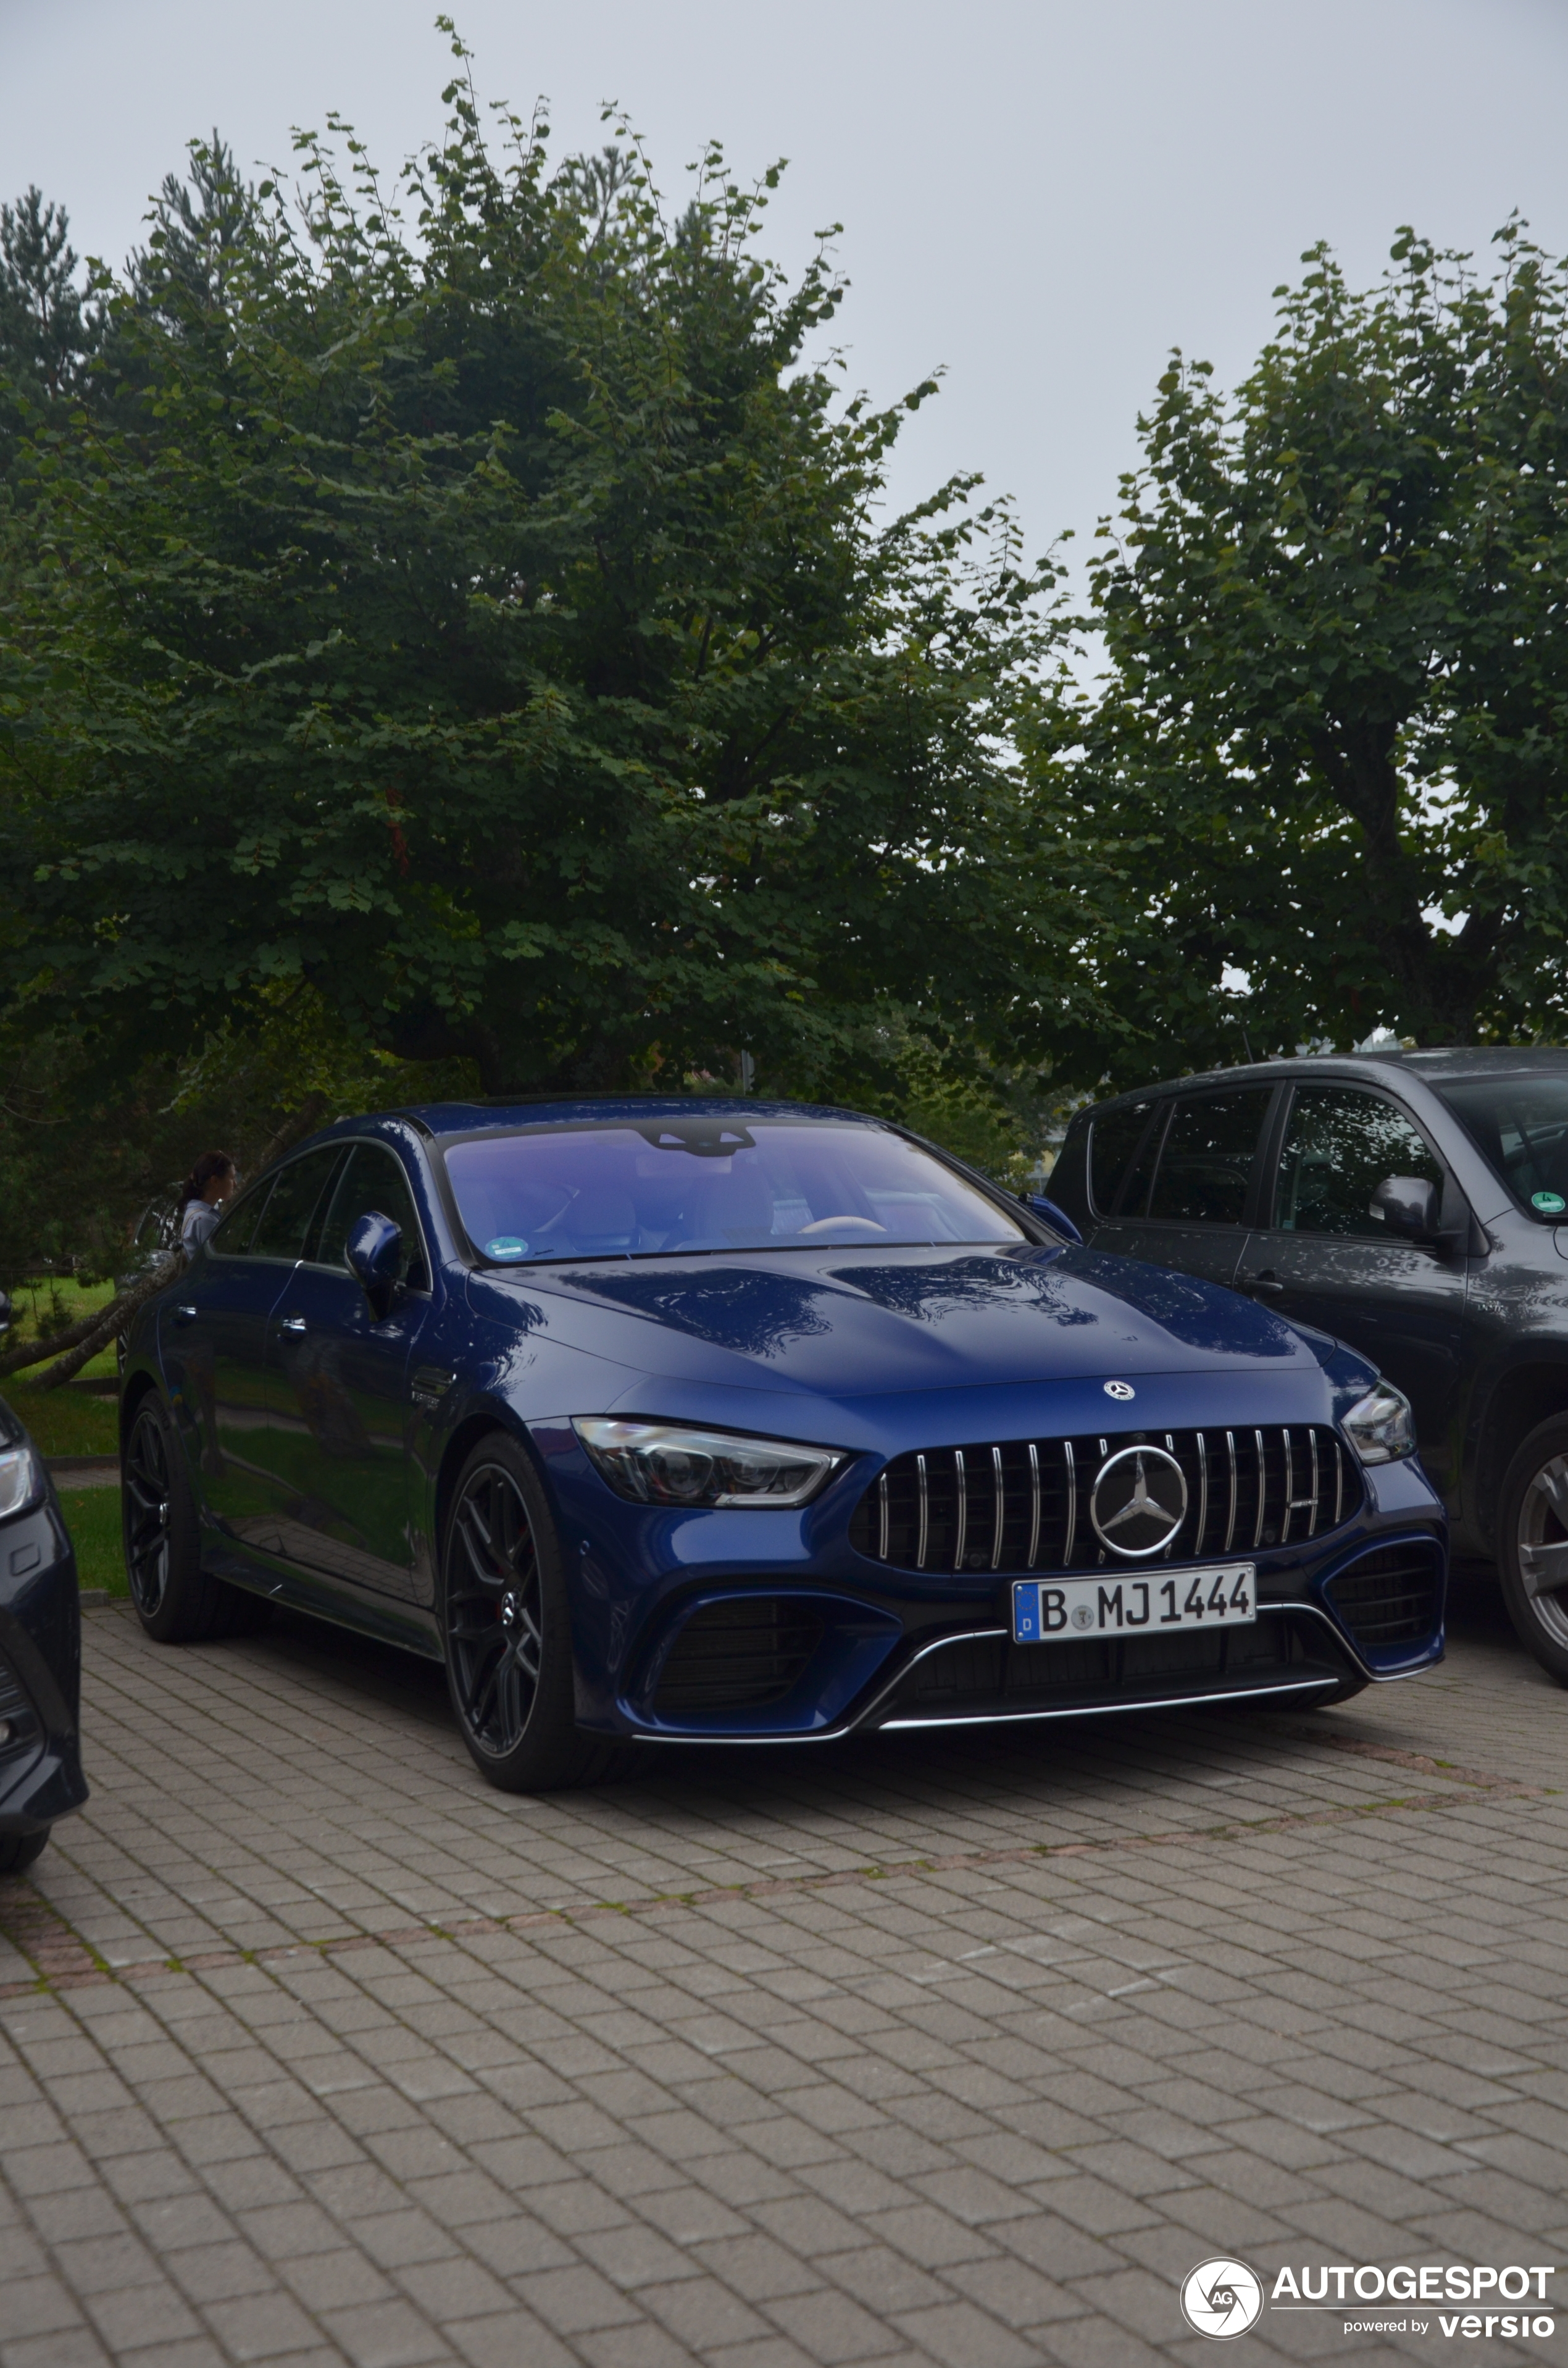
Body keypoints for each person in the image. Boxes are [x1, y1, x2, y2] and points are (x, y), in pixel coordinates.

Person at [178, 1151, 236, 1255]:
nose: (235, 1184)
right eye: (232, 1178)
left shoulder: (196, 1211)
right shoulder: (204, 1220)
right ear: (215, 1181)